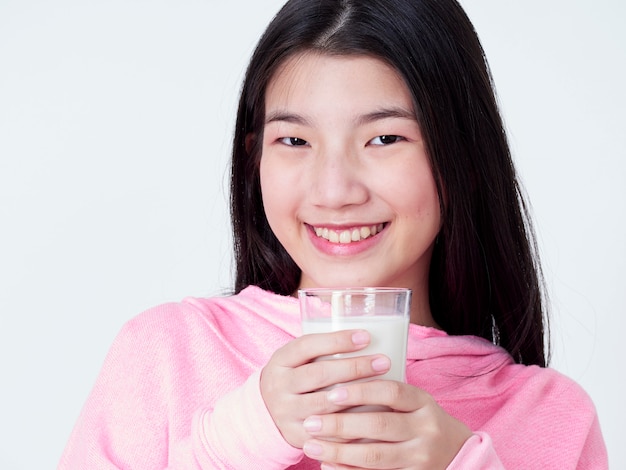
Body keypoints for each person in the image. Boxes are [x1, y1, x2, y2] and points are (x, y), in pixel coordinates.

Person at [59, 0, 608, 468]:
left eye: (385, 138)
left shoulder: (551, 416)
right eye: (295, 142)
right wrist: (236, 440)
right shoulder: (167, 353)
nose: (334, 190)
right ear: (254, 159)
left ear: (459, 156)